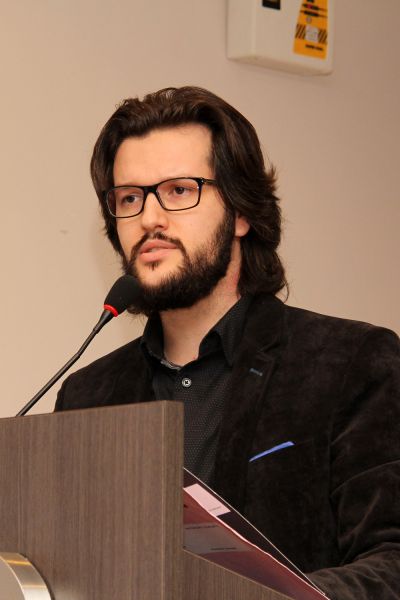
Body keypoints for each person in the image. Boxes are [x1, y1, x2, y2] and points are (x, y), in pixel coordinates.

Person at [55, 86, 400, 599]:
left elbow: (392, 562)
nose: (150, 218)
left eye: (179, 190)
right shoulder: (86, 397)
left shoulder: (353, 364)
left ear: (241, 213)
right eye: (129, 198)